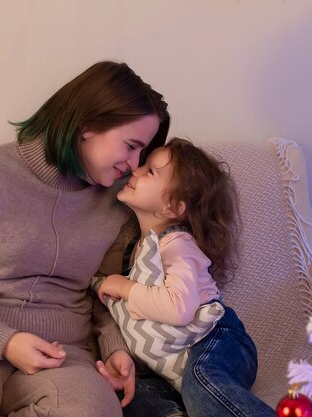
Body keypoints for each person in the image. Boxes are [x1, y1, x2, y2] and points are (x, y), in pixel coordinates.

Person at [0, 61, 169, 417]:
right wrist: (4, 339)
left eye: (143, 153)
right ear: (88, 124)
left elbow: (104, 289)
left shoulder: (117, 202)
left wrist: (114, 347)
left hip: (63, 355)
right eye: (131, 146)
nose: (135, 164)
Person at [95, 137, 275, 417]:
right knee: (126, 394)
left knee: (202, 383)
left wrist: (125, 287)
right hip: (173, 368)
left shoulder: (177, 244)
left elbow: (179, 308)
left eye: (150, 171)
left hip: (217, 341)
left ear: (173, 208)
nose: (136, 170)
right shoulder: (138, 247)